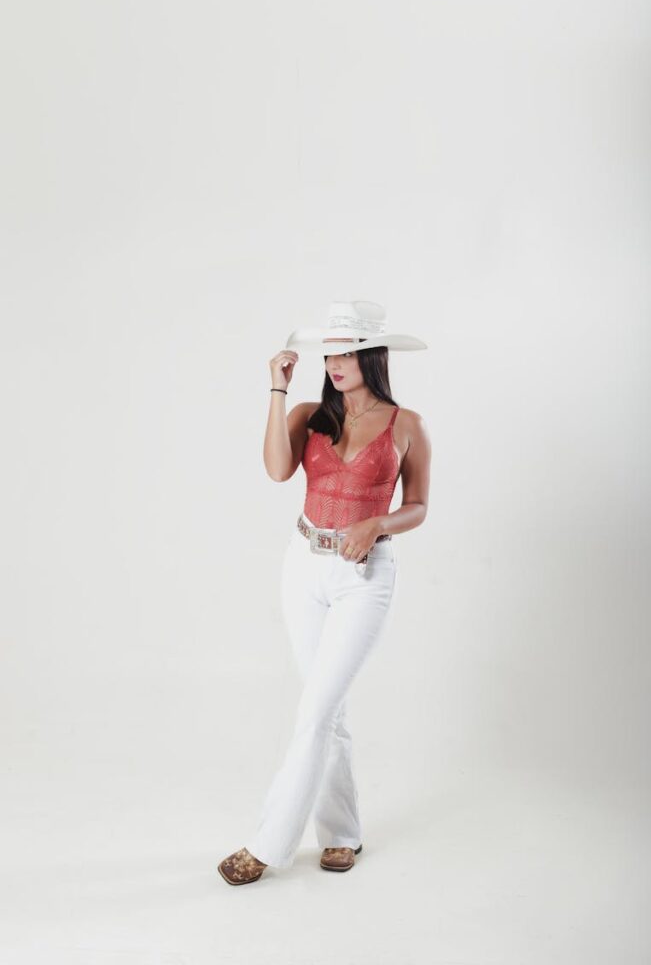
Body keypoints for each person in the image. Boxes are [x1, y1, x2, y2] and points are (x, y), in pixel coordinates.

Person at [217, 300, 431, 885]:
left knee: (313, 713)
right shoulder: (312, 413)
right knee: (326, 712)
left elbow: (417, 506)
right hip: (303, 568)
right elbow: (276, 469)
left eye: (346, 352)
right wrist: (277, 390)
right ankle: (342, 835)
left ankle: (266, 844)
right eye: (329, 353)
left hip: (364, 578)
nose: (335, 363)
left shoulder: (406, 424)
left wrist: (376, 524)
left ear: (372, 356)